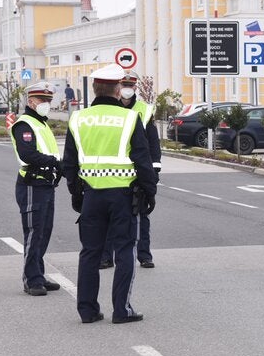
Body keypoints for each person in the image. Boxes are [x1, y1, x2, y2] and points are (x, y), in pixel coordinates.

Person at [61, 63, 157, 324]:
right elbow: (143, 160)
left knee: (90, 253)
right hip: (123, 196)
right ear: (117, 90)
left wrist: (76, 194)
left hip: (91, 195)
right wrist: (150, 192)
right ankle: (121, 310)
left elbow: (70, 163)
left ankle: (88, 311)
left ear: (94, 89)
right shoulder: (129, 119)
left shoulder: (78, 119)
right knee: (124, 251)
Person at [100, 70, 161, 269]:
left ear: (135, 88)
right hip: (114, 173)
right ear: (118, 88)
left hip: (138, 172)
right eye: (123, 86)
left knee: (142, 216)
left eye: (130, 86)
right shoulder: (110, 109)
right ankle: (106, 257)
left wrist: (154, 171)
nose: (127, 89)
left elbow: (153, 144)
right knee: (109, 217)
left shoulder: (144, 110)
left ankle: (144, 256)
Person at [10, 82, 62, 296]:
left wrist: (60, 168)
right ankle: (31, 280)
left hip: (45, 184)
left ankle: (38, 274)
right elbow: (27, 154)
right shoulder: (25, 124)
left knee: (43, 232)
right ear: (31, 101)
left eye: (48, 100)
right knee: (34, 232)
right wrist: (54, 162)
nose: (46, 103)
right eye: (42, 100)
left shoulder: (41, 124)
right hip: (32, 184)